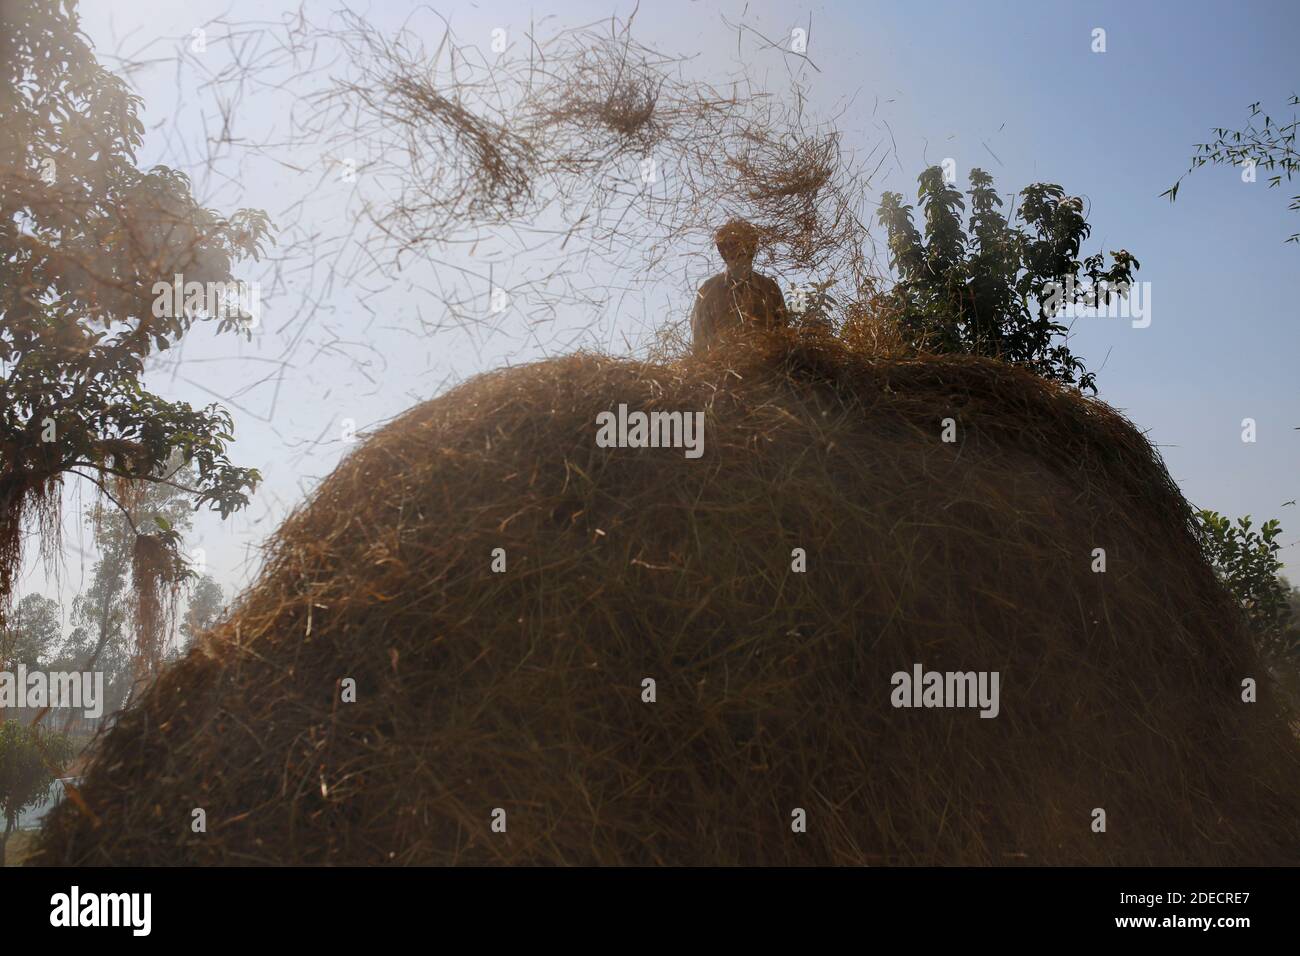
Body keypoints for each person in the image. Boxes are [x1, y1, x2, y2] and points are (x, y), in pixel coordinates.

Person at [690, 219, 789, 354]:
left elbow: (783, 334)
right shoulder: (708, 291)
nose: (738, 251)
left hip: (766, 368)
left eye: (745, 245)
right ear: (723, 251)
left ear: (752, 248)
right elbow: (700, 340)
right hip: (721, 369)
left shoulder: (769, 289)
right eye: (731, 245)